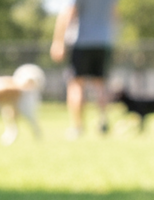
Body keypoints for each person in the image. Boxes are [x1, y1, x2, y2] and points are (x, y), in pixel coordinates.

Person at [51, 0, 119, 139]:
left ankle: (78, 127)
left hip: (80, 42)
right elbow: (114, 16)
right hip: (103, 42)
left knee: (76, 84)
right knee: (101, 85)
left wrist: (58, 41)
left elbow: (69, 13)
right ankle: (103, 121)